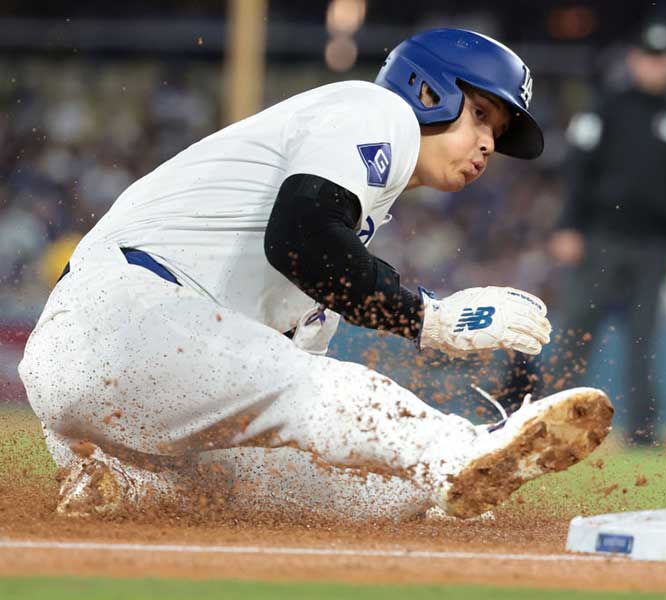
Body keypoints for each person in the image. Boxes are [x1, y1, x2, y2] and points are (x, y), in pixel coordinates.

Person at [18, 28, 613, 521]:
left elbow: (309, 276)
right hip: (127, 321)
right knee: (314, 391)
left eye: (497, 133)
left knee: (371, 496)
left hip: (129, 390)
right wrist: (429, 317)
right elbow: (301, 236)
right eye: (480, 114)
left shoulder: (355, 206)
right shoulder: (375, 110)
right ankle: (460, 451)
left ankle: (120, 485)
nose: (486, 144)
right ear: (427, 89)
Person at [503, 21, 666, 447]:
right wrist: (569, 226)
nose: (656, 66)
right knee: (576, 335)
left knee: (643, 342)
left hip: (654, 245)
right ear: (635, 60)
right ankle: (550, 426)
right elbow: (579, 172)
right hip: (600, 238)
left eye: (663, 58)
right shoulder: (605, 107)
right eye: (649, 57)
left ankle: (644, 431)